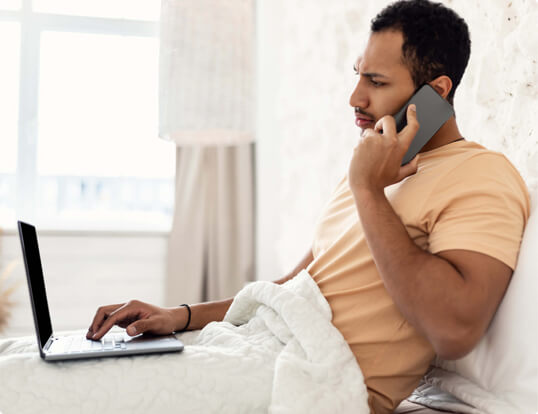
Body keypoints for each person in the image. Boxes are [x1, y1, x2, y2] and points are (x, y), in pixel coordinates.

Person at [86, 1, 531, 413]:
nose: (355, 98)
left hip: (319, 382)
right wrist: (180, 316)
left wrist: (368, 192)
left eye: (375, 82)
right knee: (62, 366)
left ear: (435, 93)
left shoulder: (480, 175)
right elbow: (293, 289)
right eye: (357, 75)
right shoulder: (373, 167)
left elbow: (454, 331)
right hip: (264, 350)